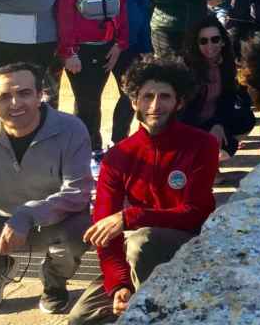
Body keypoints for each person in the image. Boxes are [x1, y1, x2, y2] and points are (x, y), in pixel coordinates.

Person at [66, 56, 217, 325]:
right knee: (81, 318)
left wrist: (130, 217)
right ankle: (136, 297)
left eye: (165, 97)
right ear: (134, 101)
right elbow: (104, 231)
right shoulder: (118, 156)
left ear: (179, 102)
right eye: (147, 96)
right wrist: (118, 285)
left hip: (187, 247)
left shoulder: (202, 145)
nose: (155, 106)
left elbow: (196, 213)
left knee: (140, 241)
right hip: (135, 256)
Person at [0, 62, 91, 315]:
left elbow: (78, 192)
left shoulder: (71, 129)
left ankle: (54, 281)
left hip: (52, 222)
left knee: (81, 230)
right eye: (4, 97)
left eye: (24, 93)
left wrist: (27, 214)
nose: (15, 103)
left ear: (40, 95)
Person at [56, 0, 129, 152]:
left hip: (108, 44)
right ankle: (90, 151)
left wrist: (120, 43)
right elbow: (66, 2)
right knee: (87, 103)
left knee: (97, 100)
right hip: (81, 46)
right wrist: (69, 50)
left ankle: (91, 149)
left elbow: (121, 2)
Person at [179, 16, 255, 159]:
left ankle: (213, 157)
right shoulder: (187, 68)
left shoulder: (226, 64)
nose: (210, 45)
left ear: (222, 42)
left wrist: (218, 124)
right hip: (188, 124)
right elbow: (184, 112)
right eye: (203, 41)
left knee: (246, 119)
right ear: (196, 44)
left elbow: (227, 99)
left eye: (215, 39)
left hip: (212, 119)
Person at [110, 0, 154, 144]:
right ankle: (90, 147)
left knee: (130, 93)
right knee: (89, 98)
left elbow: (145, 7)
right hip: (103, 37)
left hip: (132, 39)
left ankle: (119, 143)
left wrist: (146, 46)